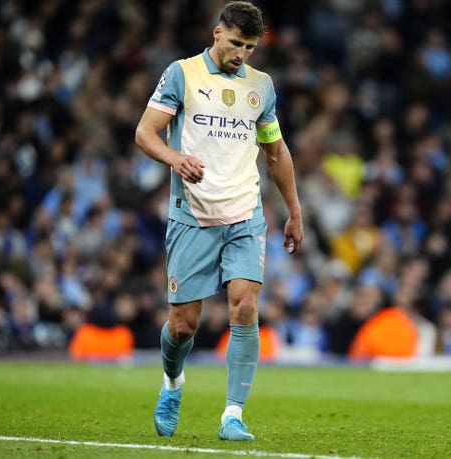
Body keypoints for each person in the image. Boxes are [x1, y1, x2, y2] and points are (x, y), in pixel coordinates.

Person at [134, 1, 303, 441]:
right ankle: (172, 383)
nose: (241, 53)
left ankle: (233, 414)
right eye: (234, 43)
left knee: (245, 306)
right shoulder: (182, 74)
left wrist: (294, 211)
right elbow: (145, 132)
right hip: (192, 214)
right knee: (183, 325)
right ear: (216, 33)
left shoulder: (261, 87)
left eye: (249, 47)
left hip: (245, 213)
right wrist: (175, 157)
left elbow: (275, 152)